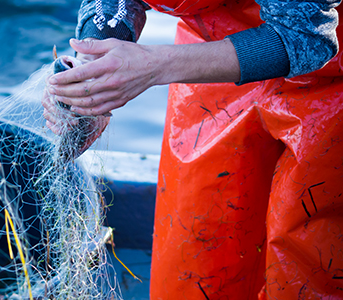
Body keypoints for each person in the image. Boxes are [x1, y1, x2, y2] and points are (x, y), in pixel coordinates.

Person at [42, 0, 343, 299]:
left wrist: (153, 67)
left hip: (328, 90)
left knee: (307, 271)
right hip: (209, 66)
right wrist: (91, 70)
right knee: (194, 270)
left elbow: (306, 37)